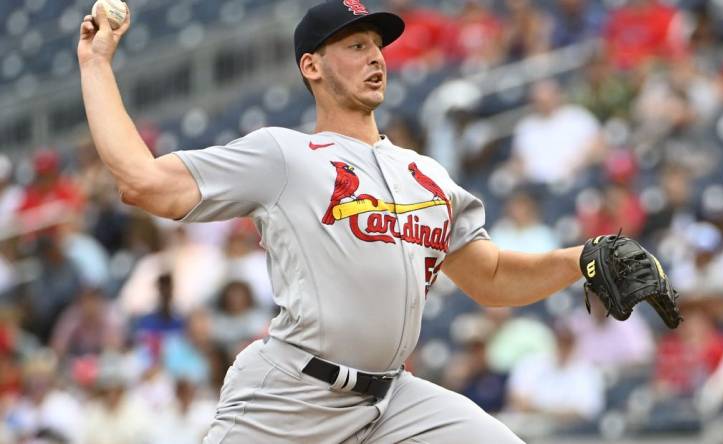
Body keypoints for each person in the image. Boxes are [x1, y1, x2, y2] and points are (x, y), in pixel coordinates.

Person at [78, 1, 599, 442]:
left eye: (376, 44)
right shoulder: (285, 155)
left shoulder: (426, 174)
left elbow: (490, 277)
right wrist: (96, 64)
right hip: (290, 396)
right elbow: (142, 182)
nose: (375, 56)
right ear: (311, 66)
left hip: (393, 403)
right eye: (354, 46)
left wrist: (580, 258)